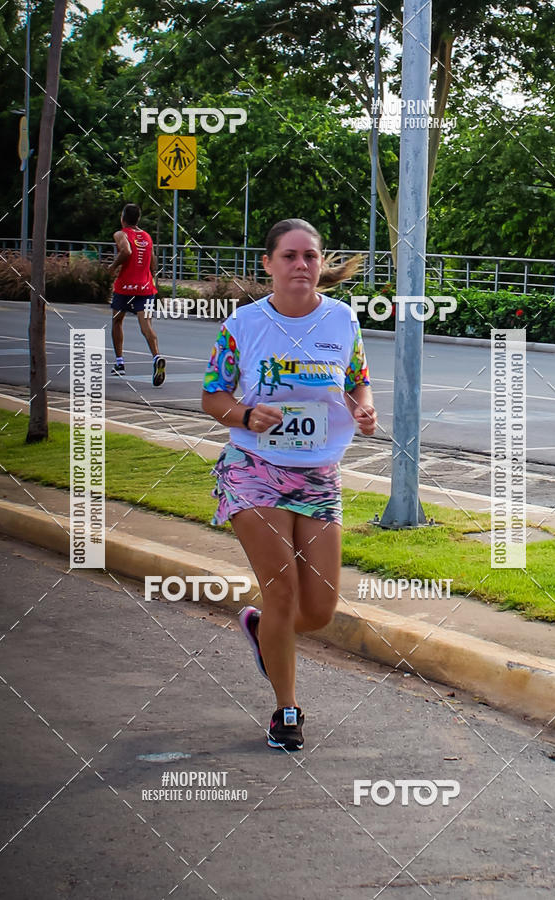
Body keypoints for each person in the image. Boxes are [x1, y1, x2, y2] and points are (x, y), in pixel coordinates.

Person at [202, 218, 377, 752]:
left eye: (311, 256)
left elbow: (356, 383)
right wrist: (247, 412)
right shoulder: (242, 326)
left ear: (321, 264)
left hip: (319, 473)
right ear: (268, 264)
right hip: (254, 468)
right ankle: (286, 710)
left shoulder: (343, 321)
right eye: (290, 256)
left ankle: (262, 631)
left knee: (320, 609)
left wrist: (365, 410)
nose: (301, 265)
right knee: (280, 590)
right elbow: (212, 397)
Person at [108, 203, 166, 386]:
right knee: (146, 325)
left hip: (125, 287)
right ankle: (156, 357)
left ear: (122, 217)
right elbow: (153, 263)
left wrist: (113, 266)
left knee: (117, 320)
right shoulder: (147, 237)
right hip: (146, 288)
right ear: (138, 219)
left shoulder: (121, 234)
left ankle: (120, 362)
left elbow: (126, 250)